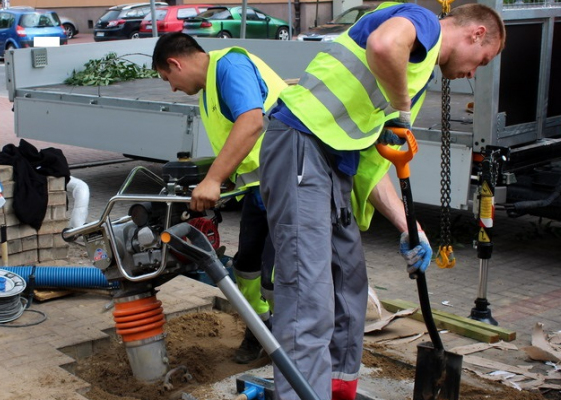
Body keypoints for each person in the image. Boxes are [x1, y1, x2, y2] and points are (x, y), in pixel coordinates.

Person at [259, 3, 506, 399]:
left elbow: (372, 169)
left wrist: (411, 228)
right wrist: (402, 110)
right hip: (300, 144)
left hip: (334, 163)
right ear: (476, 33)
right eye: (483, 60)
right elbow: (382, 43)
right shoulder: (423, 22)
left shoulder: (415, 72)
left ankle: (337, 387)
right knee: (309, 296)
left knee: (349, 284)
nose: (473, 72)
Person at [152, 33, 286, 364]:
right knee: (246, 268)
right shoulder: (209, 89)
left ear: (175, 63)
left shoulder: (230, 66)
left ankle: (292, 348)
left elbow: (252, 122)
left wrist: (214, 179)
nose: (172, 88)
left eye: (168, 79)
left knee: (276, 275)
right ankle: (261, 331)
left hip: (288, 180)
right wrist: (216, 181)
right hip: (259, 189)